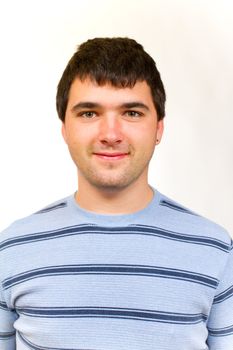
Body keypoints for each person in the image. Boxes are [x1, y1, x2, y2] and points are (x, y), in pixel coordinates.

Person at [0, 37, 232, 350]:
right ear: (65, 128)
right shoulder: (12, 249)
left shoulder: (216, 250)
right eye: (89, 113)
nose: (110, 134)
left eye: (132, 113)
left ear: (158, 128)